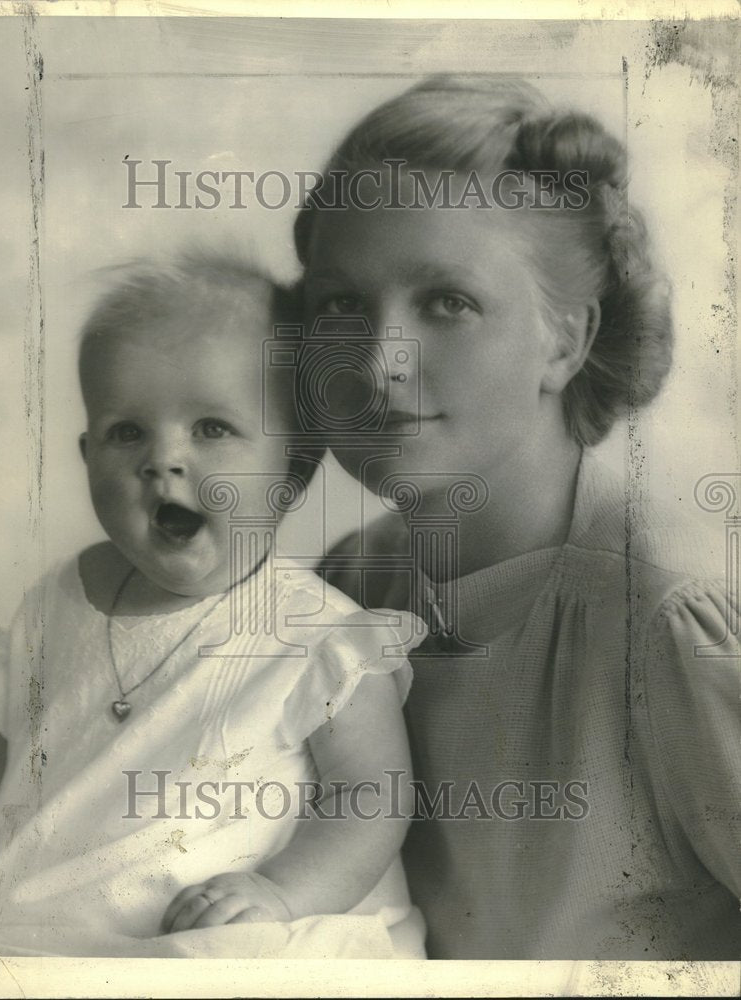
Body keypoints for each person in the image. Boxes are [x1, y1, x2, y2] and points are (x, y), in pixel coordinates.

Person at [295, 75, 741, 959]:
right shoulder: (345, 587)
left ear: (565, 340)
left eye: (447, 303)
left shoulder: (665, 623)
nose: (380, 361)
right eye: (342, 303)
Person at [0, 252, 426, 959]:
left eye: (210, 428)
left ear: (291, 468)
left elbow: (370, 799)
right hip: (42, 935)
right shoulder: (54, 603)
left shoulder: (317, 638)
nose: (162, 460)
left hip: (220, 935)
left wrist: (279, 893)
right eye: (126, 432)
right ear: (87, 457)